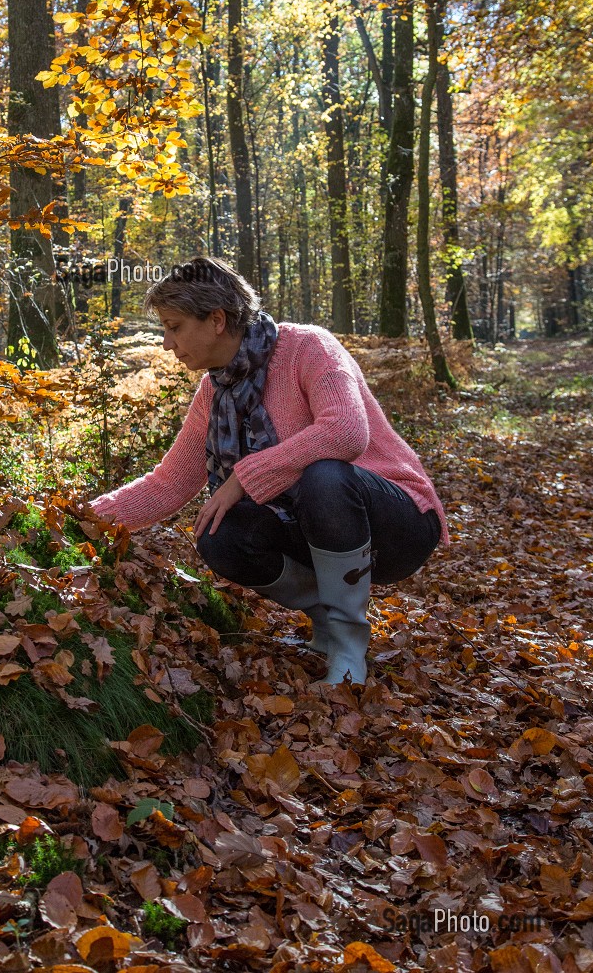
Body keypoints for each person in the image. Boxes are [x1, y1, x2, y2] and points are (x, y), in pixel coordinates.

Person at [87, 256, 447, 686]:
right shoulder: (214, 390)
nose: (167, 342)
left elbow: (347, 432)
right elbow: (169, 483)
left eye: (174, 326)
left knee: (324, 475)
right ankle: (328, 621)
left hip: (397, 522)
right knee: (217, 532)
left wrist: (244, 476)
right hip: (315, 528)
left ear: (217, 319)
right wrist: (81, 516)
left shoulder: (307, 348)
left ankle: (350, 645)